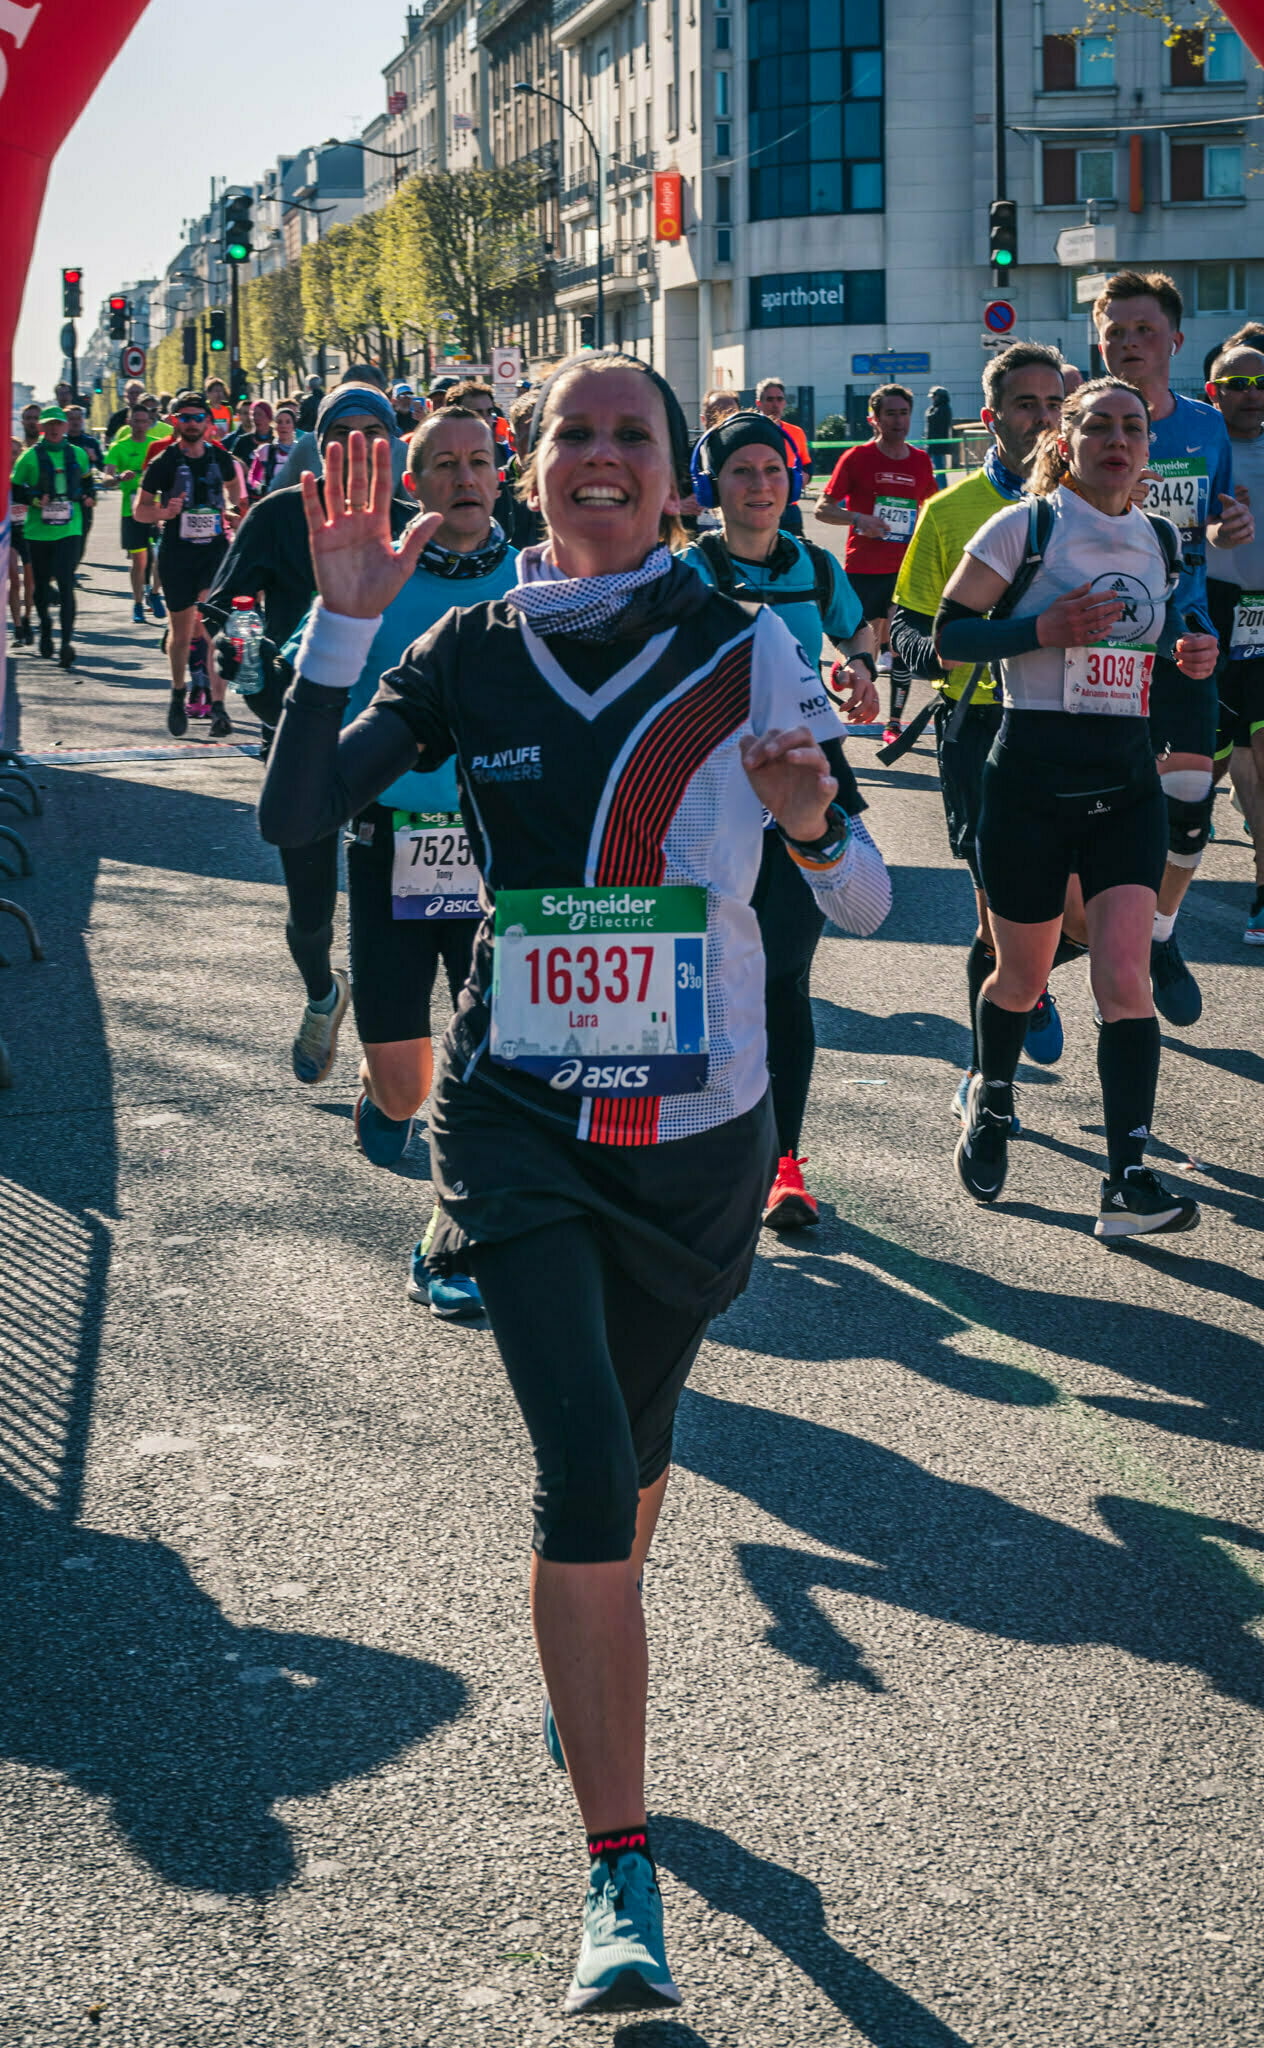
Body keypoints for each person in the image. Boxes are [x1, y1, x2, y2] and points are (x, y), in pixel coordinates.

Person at [259, 350, 889, 2018]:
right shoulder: (466, 647)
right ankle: (618, 1872)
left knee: (639, 1450)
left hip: (698, 1142)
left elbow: (876, 891)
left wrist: (816, 829)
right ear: (535, 471)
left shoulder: (748, 644)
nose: (599, 456)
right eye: (572, 436)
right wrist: (338, 628)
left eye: (633, 435)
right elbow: (297, 807)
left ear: (675, 474)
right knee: (581, 1470)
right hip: (519, 1118)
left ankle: (590, 1639)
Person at [937, 378, 1210, 1238]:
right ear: (1068, 436)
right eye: (1100, 425)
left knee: (1124, 977)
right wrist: (1040, 631)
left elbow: (1152, 645)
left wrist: (1187, 658)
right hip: (1030, 777)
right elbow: (948, 634)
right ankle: (994, 1101)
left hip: (1124, 779)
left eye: (1134, 427)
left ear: (1147, 448)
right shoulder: (1027, 525)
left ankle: (1127, 1179)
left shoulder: (1161, 539)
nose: (1119, 440)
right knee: (1020, 976)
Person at [283, 406, 520, 1323]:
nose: (465, 477)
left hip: (504, 852)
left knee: (490, 1058)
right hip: (390, 846)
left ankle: (444, 1239)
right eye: (444, 465)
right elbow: (314, 705)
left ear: (503, 475)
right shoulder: (375, 577)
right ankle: (379, 1094)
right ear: (410, 485)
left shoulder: (535, 575)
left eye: (480, 462)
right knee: (406, 1084)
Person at [677, 408, 886, 1228]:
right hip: (707, 794)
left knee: (785, 977)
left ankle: (783, 1164)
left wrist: (861, 667)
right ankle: (703, 1147)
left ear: (791, 483)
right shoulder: (686, 574)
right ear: (711, 488)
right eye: (741, 473)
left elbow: (857, 629)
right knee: (707, 980)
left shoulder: (814, 567)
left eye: (772, 471)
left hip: (803, 787)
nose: (760, 486)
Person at [203, 383, 410, 1082]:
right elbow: (220, 609)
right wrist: (239, 654)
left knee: (414, 913)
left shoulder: (417, 522)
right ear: (315, 446)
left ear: (392, 442)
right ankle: (324, 993)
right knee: (311, 911)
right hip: (307, 734)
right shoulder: (278, 515)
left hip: (401, 735)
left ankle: (400, 1058)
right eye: (338, 432)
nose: (354, 445)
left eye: (370, 431)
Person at [890, 341, 1072, 1120]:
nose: (1042, 419)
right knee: (996, 905)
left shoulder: (1101, 503)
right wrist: (950, 654)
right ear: (992, 418)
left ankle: (1030, 981)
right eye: (1026, 405)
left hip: (1075, 722)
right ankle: (984, 1080)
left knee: (1084, 902)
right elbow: (905, 624)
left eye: (1053, 404)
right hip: (980, 724)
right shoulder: (950, 510)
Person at [1094, 270, 1254, 1026]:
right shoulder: (1083, 428)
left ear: (1174, 342)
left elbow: (1208, 531)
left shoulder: (1206, 428)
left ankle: (1159, 935)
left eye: (1142, 331)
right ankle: (1049, 962)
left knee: (1190, 800)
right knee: (1100, 810)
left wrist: (1226, 532)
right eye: (1114, 331)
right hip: (1099, 639)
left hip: (1185, 633)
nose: (1127, 344)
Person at [815, 383, 938, 743]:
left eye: (903, 413)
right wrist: (858, 519)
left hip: (904, 568)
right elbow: (823, 509)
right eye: (891, 414)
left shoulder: (920, 461)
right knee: (863, 639)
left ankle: (894, 722)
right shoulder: (856, 458)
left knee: (899, 645)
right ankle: (844, 666)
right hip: (863, 567)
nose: (898, 421)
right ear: (875, 419)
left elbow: (932, 509)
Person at [133, 388, 245, 738]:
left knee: (213, 629)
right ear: (176, 422)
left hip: (214, 552)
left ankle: (218, 707)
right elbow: (140, 511)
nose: (193, 423)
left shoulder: (222, 458)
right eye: (186, 418)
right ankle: (178, 691)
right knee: (181, 635)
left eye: (199, 418)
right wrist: (163, 512)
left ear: (209, 423)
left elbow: (240, 499)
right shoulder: (163, 462)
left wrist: (239, 515)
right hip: (177, 555)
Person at [1204, 343, 1264, 942]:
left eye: (1260, 382)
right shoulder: (1198, 449)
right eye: (1238, 381)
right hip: (1212, 618)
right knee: (1205, 767)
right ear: (1213, 389)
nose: (1251, 392)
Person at [10, 404, 94, 667]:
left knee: (67, 583)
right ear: (42, 429)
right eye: (50, 425)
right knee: (42, 584)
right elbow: (15, 488)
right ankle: (46, 627)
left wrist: (89, 495)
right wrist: (35, 499)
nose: (55, 429)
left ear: (66, 427)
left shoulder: (78, 454)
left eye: (59, 424)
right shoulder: (29, 457)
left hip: (70, 528)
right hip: (38, 531)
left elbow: (87, 479)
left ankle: (67, 642)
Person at [106, 400, 167, 624]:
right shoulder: (119, 447)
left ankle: (155, 593)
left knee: (161, 556)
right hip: (130, 511)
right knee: (139, 561)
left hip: (157, 509)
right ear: (128, 421)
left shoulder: (157, 446)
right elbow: (106, 478)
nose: (140, 425)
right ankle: (138, 604)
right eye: (136, 421)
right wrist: (119, 477)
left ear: (150, 422)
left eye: (144, 421)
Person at [754, 375, 810, 533]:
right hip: (760, 504)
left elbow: (807, 465)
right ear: (759, 403)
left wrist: (802, 478)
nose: (775, 404)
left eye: (779, 399)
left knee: (797, 552)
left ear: (784, 402)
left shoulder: (795, 432)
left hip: (789, 506)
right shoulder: (749, 431)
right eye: (770, 399)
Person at [7, 402, 40, 645]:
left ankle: (28, 619)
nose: (12, 456)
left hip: (28, 530)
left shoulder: (27, 475)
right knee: (14, 579)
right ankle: (17, 625)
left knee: (31, 582)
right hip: (8, 534)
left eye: (16, 452)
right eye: (8, 452)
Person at [64, 405, 105, 576]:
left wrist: (94, 458)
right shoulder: (60, 442)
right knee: (64, 537)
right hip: (63, 496)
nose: (75, 422)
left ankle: (70, 570)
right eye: (71, 418)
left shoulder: (90, 442)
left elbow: (103, 467)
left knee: (81, 537)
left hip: (85, 497)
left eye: (78, 418)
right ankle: (64, 572)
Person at [249, 404, 297, 498]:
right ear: (275, 426)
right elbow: (253, 476)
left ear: (294, 426)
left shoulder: (300, 450)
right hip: (271, 501)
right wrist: (260, 487)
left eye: (288, 422)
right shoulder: (265, 450)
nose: (283, 426)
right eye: (279, 422)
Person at [924, 385, 954, 468]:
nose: (933, 399)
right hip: (933, 443)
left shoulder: (943, 408)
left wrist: (930, 411)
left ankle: (941, 481)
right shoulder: (938, 408)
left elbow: (932, 418)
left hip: (938, 444)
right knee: (932, 467)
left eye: (935, 397)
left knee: (939, 466)